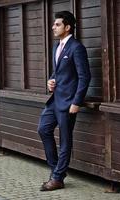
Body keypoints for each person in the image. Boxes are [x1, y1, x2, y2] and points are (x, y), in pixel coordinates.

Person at [38, 11, 91, 191]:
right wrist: (51, 80)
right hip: (54, 100)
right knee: (43, 129)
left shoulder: (77, 48)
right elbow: (59, 72)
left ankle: (57, 178)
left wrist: (76, 102)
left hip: (68, 103)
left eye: (57, 24)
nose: (53, 27)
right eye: (54, 24)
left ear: (67, 27)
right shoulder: (56, 47)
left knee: (65, 140)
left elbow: (84, 77)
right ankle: (56, 171)